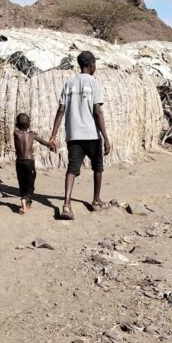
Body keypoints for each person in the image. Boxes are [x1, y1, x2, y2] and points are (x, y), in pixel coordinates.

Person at [48, 51, 110, 220]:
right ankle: (96, 201)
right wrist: (105, 137)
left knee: (72, 169)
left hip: (74, 135)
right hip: (91, 135)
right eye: (94, 64)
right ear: (91, 64)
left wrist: (53, 135)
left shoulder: (69, 84)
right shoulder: (94, 84)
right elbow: (97, 111)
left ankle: (66, 205)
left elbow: (61, 110)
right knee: (97, 167)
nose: (95, 67)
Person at [13, 113, 55, 215]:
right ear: (29, 124)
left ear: (17, 124)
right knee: (30, 183)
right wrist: (51, 146)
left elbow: (20, 131)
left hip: (19, 162)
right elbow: (44, 143)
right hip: (29, 161)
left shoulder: (15, 133)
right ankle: (26, 200)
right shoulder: (32, 135)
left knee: (21, 182)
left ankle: (24, 200)